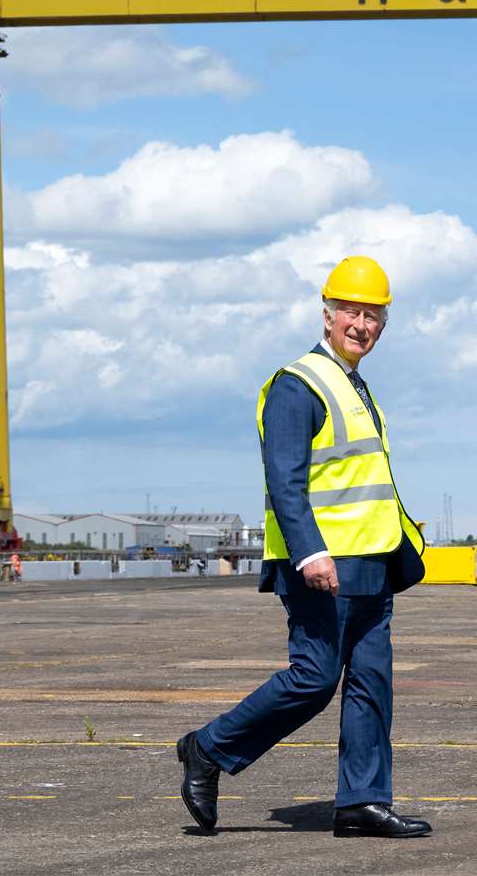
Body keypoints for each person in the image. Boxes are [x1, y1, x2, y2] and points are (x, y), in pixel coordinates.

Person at [177, 255, 429, 838]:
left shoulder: (354, 383)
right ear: (327, 312)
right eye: (351, 312)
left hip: (372, 564)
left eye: (373, 315)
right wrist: (310, 552)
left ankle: (362, 802)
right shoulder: (298, 385)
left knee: (372, 684)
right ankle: (208, 749)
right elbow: (283, 480)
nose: (361, 324)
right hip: (323, 566)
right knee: (314, 678)